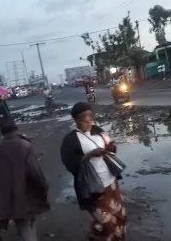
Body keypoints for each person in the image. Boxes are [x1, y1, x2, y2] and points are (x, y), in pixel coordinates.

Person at [60, 102, 126, 241]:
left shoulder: (97, 130)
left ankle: (97, 235)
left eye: (91, 117)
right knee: (108, 223)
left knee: (120, 216)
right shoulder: (71, 140)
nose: (89, 121)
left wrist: (110, 148)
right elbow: (70, 164)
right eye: (85, 118)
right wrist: (89, 155)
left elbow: (109, 145)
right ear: (76, 120)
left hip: (110, 183)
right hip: (94, 188)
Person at [0, 118, 49, 241]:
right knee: (27, 225)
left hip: (8, 196)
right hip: (27, 193)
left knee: (22, 224)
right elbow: (35, 172)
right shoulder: (24, 145)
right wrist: (43, 188)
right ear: (16, 128)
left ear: (1, 132)